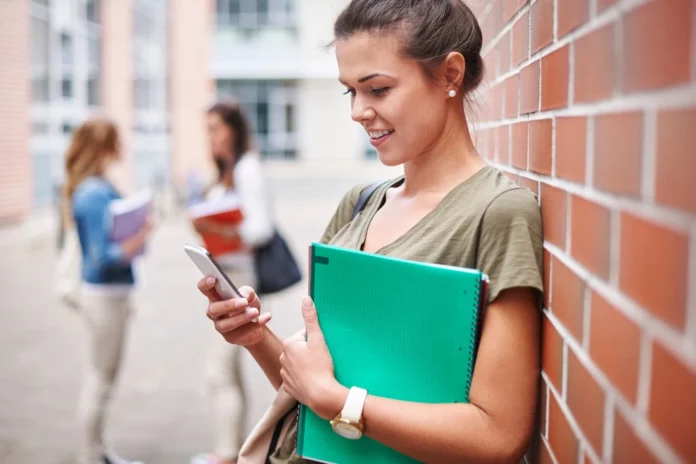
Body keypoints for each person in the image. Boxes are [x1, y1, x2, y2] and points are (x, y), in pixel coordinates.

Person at [198, 0, 544, 462]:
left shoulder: (498, 214)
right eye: (350, 92)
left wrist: (340, 403)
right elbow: (312, 388)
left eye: (377, 89)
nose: (359, 112)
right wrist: (256, 337)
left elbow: (498, 436)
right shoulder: (359, 204)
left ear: (450, 75)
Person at [190, 100, 276, 464]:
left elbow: (260, 228)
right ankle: (239, 450)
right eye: (206, 129)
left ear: (234, 130)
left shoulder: (247, 168)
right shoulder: (224, 171)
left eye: (216, 128)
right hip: (223, 274)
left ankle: (227, 454)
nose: (210, 137)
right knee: (232, 368)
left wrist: (217, 227)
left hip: (239, 279)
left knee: (218, 371)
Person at [63, 117, 152, 464]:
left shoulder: (91, 187)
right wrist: (140, 237)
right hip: (104, 296)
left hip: (106, 295)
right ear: (106, 146)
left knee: (103, 377)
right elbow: (104, 257)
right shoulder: (94, 192)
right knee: (100, 378)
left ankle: (100, 451)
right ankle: (90, 454)